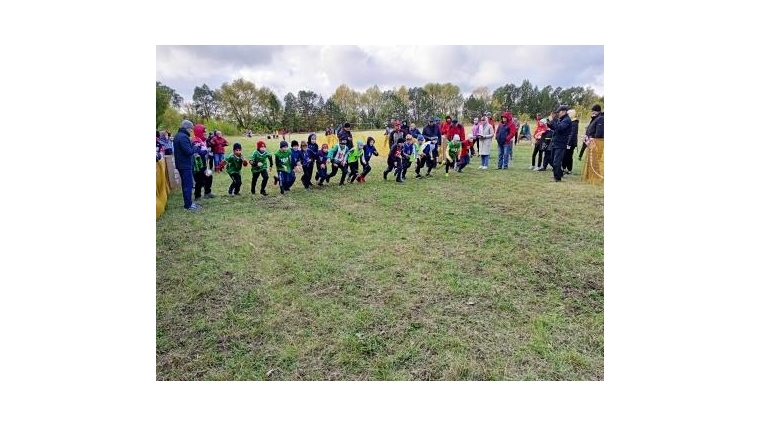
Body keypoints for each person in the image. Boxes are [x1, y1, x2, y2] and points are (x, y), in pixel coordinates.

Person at [173, 120, 205, 210]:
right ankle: (188, 205)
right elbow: (188, 152)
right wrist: (195, 146)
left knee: (186, 185)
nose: (191, 131)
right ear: (186, 128)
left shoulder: (179, 135)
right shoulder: (183, 137)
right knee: (188, 185)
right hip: (184, 164)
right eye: (191, 129)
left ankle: (189, 203)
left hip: (182, 164)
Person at [546, 105, 572, 182]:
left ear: (563, 112)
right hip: (555, 142)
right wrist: (550, 122)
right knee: (550, 159)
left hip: (561, 143)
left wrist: (553, 121)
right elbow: (554, 127)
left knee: (556, 161)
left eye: (559, 112)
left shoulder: (567, 120)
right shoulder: (561, 119)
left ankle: (557, 177)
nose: (558, 113)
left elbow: (560, 128)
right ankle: (559, 173)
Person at [581, 104, 604, 184]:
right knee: (591, 159)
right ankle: (591, 175)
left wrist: (594, 139)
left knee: (595, 160)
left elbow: (599, 132)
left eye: (593, 111)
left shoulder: (601, 118)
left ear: (597, 111)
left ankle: (596, 176)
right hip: (591, 142)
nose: (592, 112)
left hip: (596, 143)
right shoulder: (595, 118)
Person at [191, 124, 215, 200]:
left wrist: (209, 153)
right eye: (204, 131)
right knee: (199, 181)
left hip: (203, 164)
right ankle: (197, 196)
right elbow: (197, 152)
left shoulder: (202, 141)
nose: (206, 133)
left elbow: (204, 151)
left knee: (209, 176)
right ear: (199, 132)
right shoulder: (195, 141)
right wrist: (206, 151)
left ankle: (207, 193)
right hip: (197, 165)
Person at [563, 109, 579, 175]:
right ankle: (564, 168)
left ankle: (569, 169)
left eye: (568, 114)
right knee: (566, 155)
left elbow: (572, 134)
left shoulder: (574, 123)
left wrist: (568, 143)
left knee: (568, 156)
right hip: (567, 142)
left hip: (571, 143)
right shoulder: (570, 122)